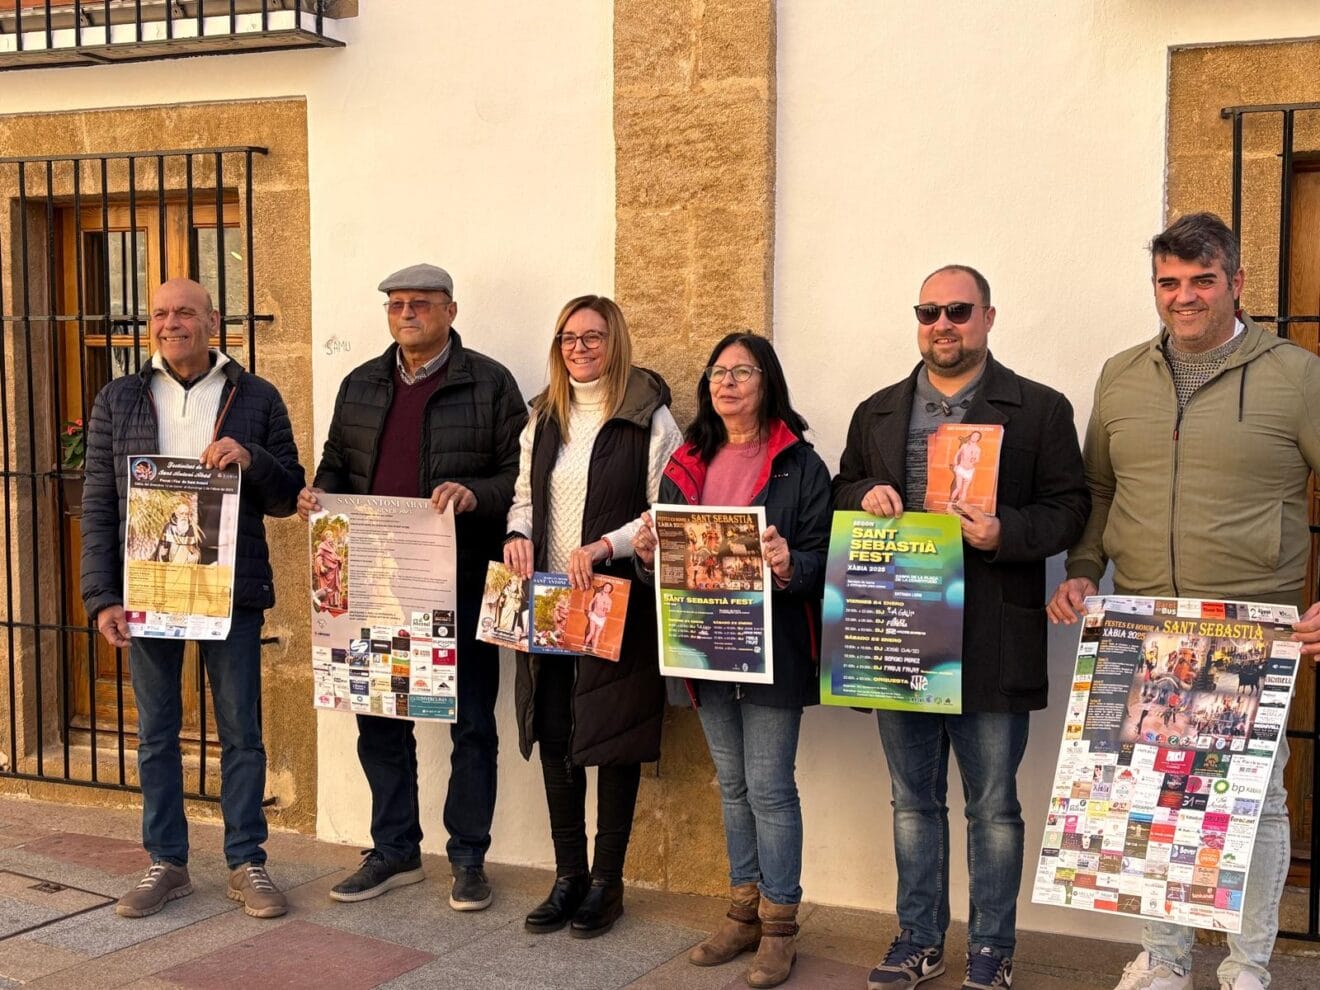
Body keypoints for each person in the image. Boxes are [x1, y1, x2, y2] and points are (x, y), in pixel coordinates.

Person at [1048, 212, 1320, 990]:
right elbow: (1101, 490)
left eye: (1203, 281)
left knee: (1256, 805)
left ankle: (1248, 966)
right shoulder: (1121, 373)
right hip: (1145, 619)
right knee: (1152, 795)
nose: (1185, 297)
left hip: (1249, 627)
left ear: (1237, 283)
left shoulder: (1297, 376)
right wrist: (1083, 566)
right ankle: (1165, 960)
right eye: (1170, 282)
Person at [833, 265, 1089, 990]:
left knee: (992, 807)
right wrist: (865, 493)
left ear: (988, 317)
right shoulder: (877, 410)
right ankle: (918, 938)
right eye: (928, 310)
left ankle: (991, 947)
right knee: (913, 801)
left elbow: (1070, 508)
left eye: (957, 310)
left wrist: (1004, 532)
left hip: (991, 634)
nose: (942, 323)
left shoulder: (1038, 408)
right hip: (900, 626)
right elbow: (840, 489)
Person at [299, 263, 525, 910]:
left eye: (420, 304)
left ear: (450, 310)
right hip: (374, 580)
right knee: (379, 718)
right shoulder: (362, 383)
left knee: (470, 723)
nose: (406, 314)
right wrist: (322, 495)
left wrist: (473, 494)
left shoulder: (489, 382)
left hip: (458, 579)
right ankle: (395, 849)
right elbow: (338, 463)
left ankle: (467, 857)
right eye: (396, 304)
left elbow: (519, 474)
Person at [81, 277, 304, 920]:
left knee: (241, 732)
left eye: (185, 311)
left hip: (229, 590)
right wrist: (102, 598)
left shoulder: (254, 395)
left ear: (213, 321)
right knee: (155, 733)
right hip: (149, 589)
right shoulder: (118, 398)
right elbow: (99, 503)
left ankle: (247, 863)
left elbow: (288, 493)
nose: (171, 322)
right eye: (159, 313)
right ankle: (166, 863)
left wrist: (251, 457)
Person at [633, 332, 831, 989]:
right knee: (734, 785)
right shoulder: (687, 460)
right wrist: (646, 553)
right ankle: (742, 911)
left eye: (742, 372)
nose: (728, 383)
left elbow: (827, 562)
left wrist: (789, 564)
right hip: (704, 646)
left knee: (771, 787)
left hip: (775, 651)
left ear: (767, 382)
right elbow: (669, 561)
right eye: (719, 373)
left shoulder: (801, 465)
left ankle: (779, 928)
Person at [503, 294, 681, 939]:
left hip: (615, 602)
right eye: (568, 338)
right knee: (557, 735)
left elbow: (667, 511)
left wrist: (609, 546)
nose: (579, 348)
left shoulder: (649, 420)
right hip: (549, 602)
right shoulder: (543, 418)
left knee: (612, 739)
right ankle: (567, 876)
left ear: (616, 342)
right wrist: (517, 535)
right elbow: (525, 497)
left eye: (593, 337)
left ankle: (608, 882)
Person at [156, 500, 204, 564]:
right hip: (170, 566)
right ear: (176, 514)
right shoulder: (168, 527)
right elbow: (161, 547)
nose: (184, 516)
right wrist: (162, 553)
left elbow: (196, 551)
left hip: (185, 568)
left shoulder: (191, 529)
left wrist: (194, 556)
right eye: (182, 513)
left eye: (186, 514)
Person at [948, 429, 983, 505]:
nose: (975, 437)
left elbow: (977, 460)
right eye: (974, 435)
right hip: (961, 468)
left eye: (977, 436)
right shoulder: (964, 446)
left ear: (978, 439)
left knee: (964, 490)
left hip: (969, 470)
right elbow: (957, 454)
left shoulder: (978, 449)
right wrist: (956, 464)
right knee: (958, 487)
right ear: (971, 436)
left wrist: (974, 460)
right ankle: (950, 502)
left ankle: (961, 505)